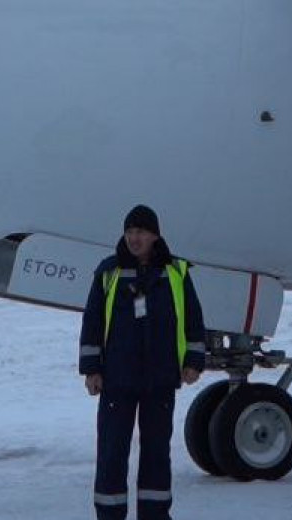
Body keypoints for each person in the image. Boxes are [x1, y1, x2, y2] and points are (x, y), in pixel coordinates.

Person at [80, 204, 207, 520]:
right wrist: (91, 369)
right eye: (129, 232)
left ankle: (155, 515)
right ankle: (109, 515)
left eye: (140, 232)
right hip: (117, 380)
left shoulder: (176, 272)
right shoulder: (109, 272)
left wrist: (194, 360)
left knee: (156, 455)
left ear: (154, 236)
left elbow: (193, 318)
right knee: (111, 454)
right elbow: (92, 322)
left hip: (160, 378)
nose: (134, 238)